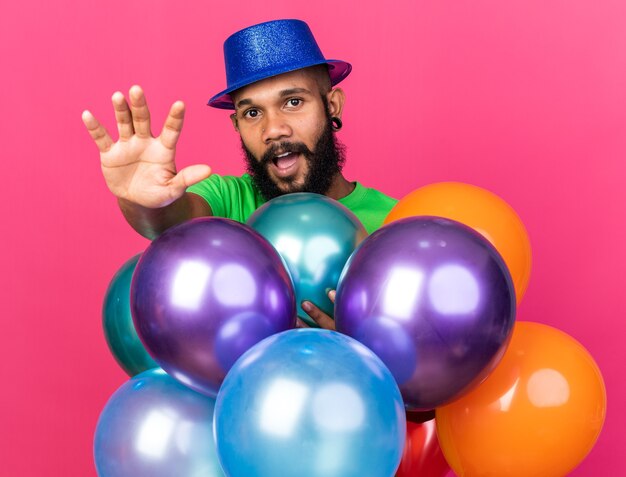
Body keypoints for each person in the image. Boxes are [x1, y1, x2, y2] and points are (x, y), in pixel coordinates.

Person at [82, 19, 397, 329]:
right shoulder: (226, 198)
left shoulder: (392, 222)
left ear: (332, 105)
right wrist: (143, 201)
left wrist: (359, 345)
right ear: (236, 126)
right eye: (252, 113)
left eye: (293, 101)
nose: (273, 129)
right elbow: (169, 220)